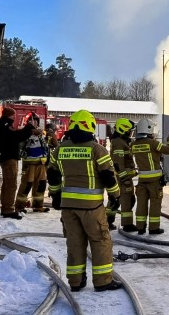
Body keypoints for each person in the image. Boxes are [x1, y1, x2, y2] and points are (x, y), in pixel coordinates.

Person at [47, 109, 123, 292]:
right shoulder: (97, 150)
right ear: (90, 126)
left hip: (68, 207)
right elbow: (108, 177)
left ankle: (76, 281)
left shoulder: (59, 149)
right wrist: (115, 196)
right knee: (100, 241)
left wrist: (56, 195)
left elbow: (52, 174)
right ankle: (103, 281)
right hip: (92, 207)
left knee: (74, 243)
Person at [131, 118, 169, 234]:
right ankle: (154, 228)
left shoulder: (134, 145)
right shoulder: (153, 143)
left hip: (142, 180)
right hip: (154, 181)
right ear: (148, 129)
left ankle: (140, 227)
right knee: (155, 203)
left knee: (141, 204)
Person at [0, 107, 36, 219]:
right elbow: (16, 137)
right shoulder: (5, 125)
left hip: (7, 157)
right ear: (8, 115)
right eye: (13, 115)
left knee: (7, 183)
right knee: (11, 184)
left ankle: (6, 207)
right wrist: (29, 127)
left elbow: (16, 136)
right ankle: (8, 209)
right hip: (9, 158)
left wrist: (27, 129)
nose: (14, 117)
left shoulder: (4, 125)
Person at [107, 118, 137, 232]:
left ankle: (108, 222)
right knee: (127, 200)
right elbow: (118, 163)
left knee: (116, 200)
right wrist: (124, 177)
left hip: (121, 177)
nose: (130, 133)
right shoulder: (119, 143)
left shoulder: (120, 141)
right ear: (123, 129)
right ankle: (127, 224)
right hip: (122, 178)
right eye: (129, 130)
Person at [15, 127, 50, 213]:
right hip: (29, 164)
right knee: (27, 185)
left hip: (41, 163)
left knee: (41, 185)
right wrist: (24, 154)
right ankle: (19, 206)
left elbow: (45, 147)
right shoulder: (26, 135)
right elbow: (18, 148)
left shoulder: (41, 136)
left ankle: (38, 205)